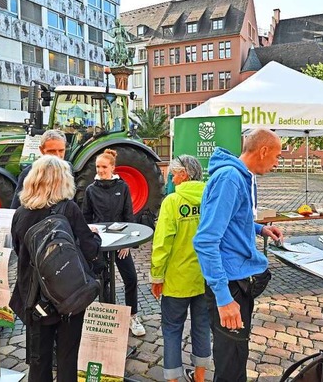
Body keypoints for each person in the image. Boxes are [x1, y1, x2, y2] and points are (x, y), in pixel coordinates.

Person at [193, 129, 283, 382]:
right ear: (263, 150)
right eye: (277, 156)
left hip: (236, 281)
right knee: (230, 365)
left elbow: (232, 220)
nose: (277, 163)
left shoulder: (238, 176)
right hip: (230, 286)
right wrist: (223, 298)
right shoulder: (230, 178)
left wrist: (259, 228)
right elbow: (206, 240)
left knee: (235, 356)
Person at [9, 155, 102, 382]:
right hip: (67, 294)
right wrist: (95, 238)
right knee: (67, 357)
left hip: (34, 297)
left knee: (39, 359)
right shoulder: (68, 209)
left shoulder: (20, 213)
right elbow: (90, 250)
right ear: (63, 181)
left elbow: (18, 250)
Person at [151, 155, 210, 382]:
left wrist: (157, 276)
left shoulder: (172, 202)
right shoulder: (210, 197)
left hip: (177, 279)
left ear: (184, 174)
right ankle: (200, 377)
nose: (172, 180)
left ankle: (173, 379)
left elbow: (162, 242)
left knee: (172, 330)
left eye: (174, 174)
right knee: (202, 328)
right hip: (204, 277)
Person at [81, 148, 146, 337]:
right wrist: (89, 233)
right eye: (98, 167)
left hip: (120, 242)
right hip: (100, 244)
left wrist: (127, 243)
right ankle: (106, 320)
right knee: (102, 281)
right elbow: (86, 217)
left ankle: (133, 316)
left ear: (112, 167)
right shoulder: (91, 189)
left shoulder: (122, 187)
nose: (100, 170)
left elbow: (128, 215)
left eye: (104, 166)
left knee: (131, 278)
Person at [11, 129, 68, 209]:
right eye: (52, 151)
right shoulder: (29, 173)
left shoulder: (69, 170)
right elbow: (16, 206)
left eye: (61, 151)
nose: (57, 155)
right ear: (41, 150)